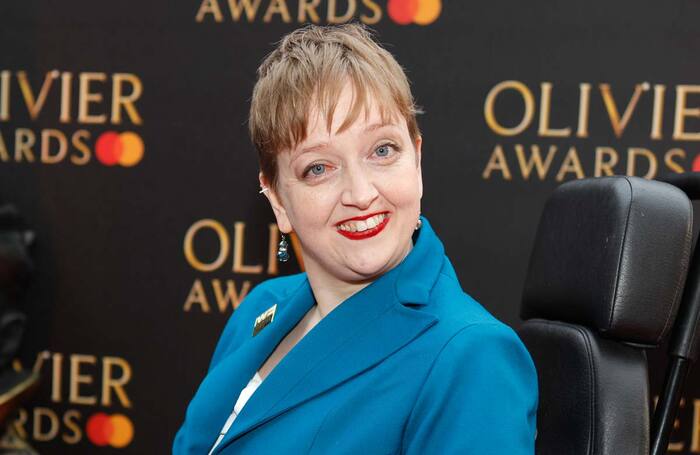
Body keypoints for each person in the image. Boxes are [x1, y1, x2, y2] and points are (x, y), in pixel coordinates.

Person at [173, 22, 538, 454]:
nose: (361, 194)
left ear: (416, 159)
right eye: (319, 168)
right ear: (278, 201)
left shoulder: (473, 357)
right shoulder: (261, 308)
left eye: (382, 150)